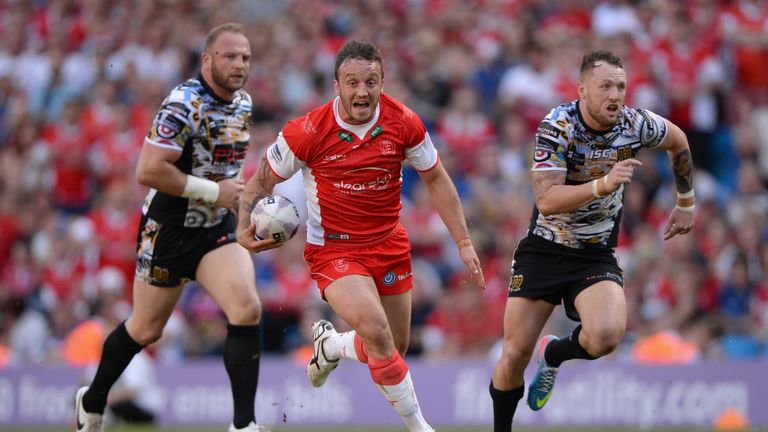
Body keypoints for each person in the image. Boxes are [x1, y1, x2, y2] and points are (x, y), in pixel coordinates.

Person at [235, 40, 485, 432]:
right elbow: (259, 181)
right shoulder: (307, 132)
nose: (362, 91)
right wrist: (242, 225)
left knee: (392, 348)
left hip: (389, 244)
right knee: (379, 334)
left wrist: (463, 242)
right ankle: (421, 427)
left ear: (382, 82)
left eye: (370, 82)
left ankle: (332, 345)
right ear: (336, 86)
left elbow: (435, 177)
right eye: (352, 82)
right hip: (334, 250)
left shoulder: (404, 123)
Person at [75, 23, 271, 432]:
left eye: (246, 57)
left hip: (215, 227)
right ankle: (92, 399)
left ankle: (244, 425)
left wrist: (245, 206)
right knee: (146, 329)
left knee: (247, 307)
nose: (239, 65)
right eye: (229, 56)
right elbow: (147, 170)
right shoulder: (182, 104)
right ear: (207, 59)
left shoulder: (244, 104)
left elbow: (227, 176)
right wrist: (212, 192)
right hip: (168, 229)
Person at [489, 49, 696, 431]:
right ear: (582, 90)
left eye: (620, 86)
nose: (615, 95)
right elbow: (547, 201)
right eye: (605, 87)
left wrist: (685, 201)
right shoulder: (558, 125)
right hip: (545, 250)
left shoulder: (635, 123)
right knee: (514, 353)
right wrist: (603, 184)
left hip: (595, 254)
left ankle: (555, 352)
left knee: (606, 337)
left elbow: (679, 140)